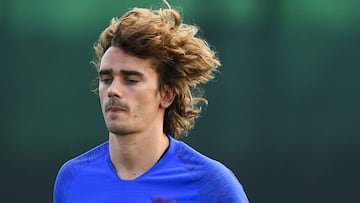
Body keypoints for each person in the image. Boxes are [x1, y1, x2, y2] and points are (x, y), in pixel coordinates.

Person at [54, 1, 249, 202]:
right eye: (106, 79)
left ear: (166, 94)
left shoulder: (211, 185)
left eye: (131, 80)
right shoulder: (72, 179)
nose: (113, 90)